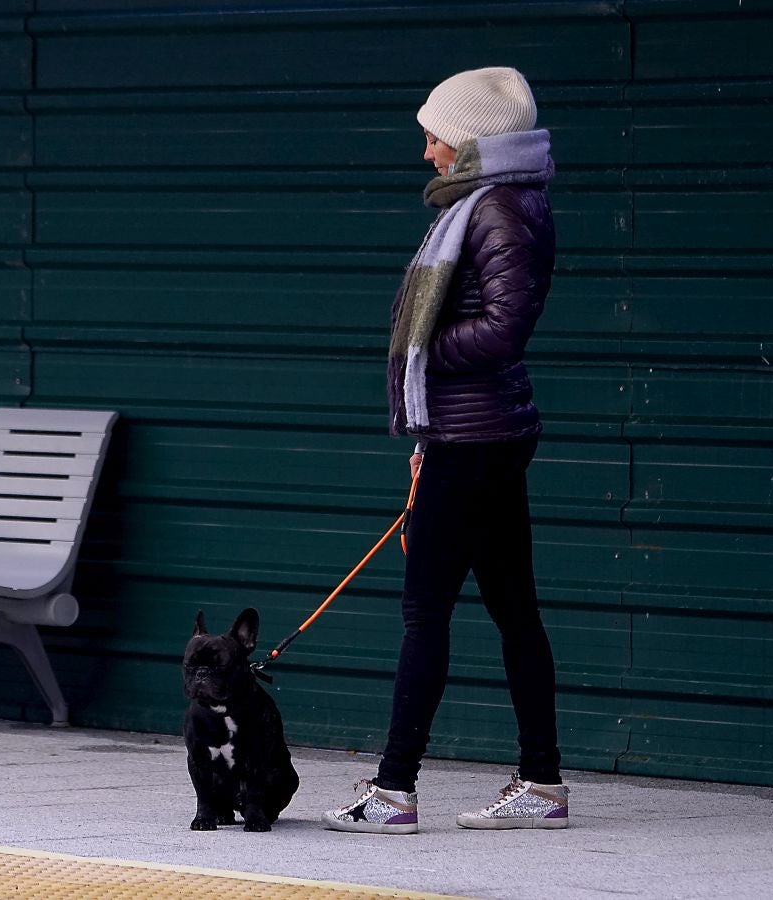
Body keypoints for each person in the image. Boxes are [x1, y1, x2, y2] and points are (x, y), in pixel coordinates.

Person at [323, 67, 568, 833]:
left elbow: (504, 330)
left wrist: (421, 348)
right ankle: (545, 786)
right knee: (513, 610)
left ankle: (394, 792)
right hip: (474, 433)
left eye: (437, 136)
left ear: (469, 143)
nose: (427, 151)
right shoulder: (486, 204)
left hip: (476, 438)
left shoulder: (499, 210)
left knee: (424, 611)